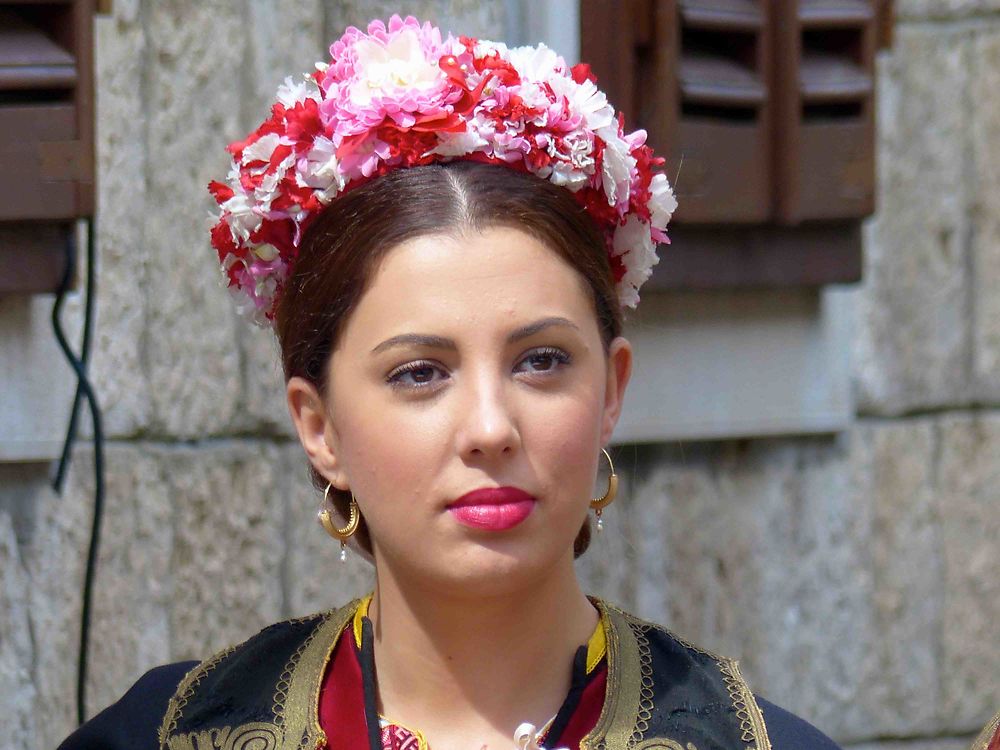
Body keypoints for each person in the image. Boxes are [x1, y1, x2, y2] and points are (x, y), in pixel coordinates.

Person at [59, 15, 842, 750]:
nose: (490, 427)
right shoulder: (175, 732)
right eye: (420, 373)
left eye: (541, 361)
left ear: (611, 389)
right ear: (318, 426)